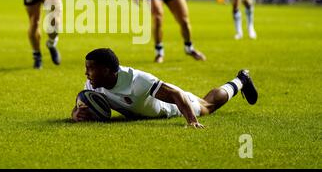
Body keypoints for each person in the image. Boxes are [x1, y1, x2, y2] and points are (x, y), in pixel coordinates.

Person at [72, 48, 258, 127]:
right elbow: (81, 103)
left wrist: (192, 121)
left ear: (106, 70)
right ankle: (240, 80)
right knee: (206, 103)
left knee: (207, 106)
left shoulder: (137, 80)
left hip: (171, 107)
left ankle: (241, 80)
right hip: (143, 111)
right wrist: (76, 114)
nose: (86, 73)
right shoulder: (92, 84)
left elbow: (175, 94)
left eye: (90, 69)